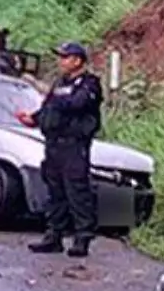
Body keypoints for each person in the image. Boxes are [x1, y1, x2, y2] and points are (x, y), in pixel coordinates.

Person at [18, 42, 104, 257]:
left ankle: (82, 239)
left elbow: (77, 104)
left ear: (77, 60)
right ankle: (53, 236)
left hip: (74, 146)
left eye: (65, 57)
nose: (61, 62)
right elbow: (48, 107)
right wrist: (34, 119)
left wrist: (51, 96)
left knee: (78, 193)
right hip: (53, 145)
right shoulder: (59, 84)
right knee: (55, 193)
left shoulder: (89, 84)